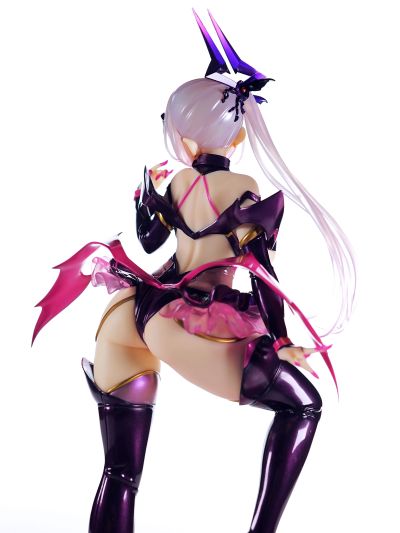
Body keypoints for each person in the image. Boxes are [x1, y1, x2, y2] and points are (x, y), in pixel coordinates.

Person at [33, 10, 355, 533]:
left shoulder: (176, 181)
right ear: (236, 138)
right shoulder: (243, 188)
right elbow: (260, 270)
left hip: (130, 313)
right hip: (187, 323)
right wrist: (280, 340)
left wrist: (145, 196)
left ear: (184, 140)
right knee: (303, 407)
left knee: (120, 472)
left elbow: (149, 241)